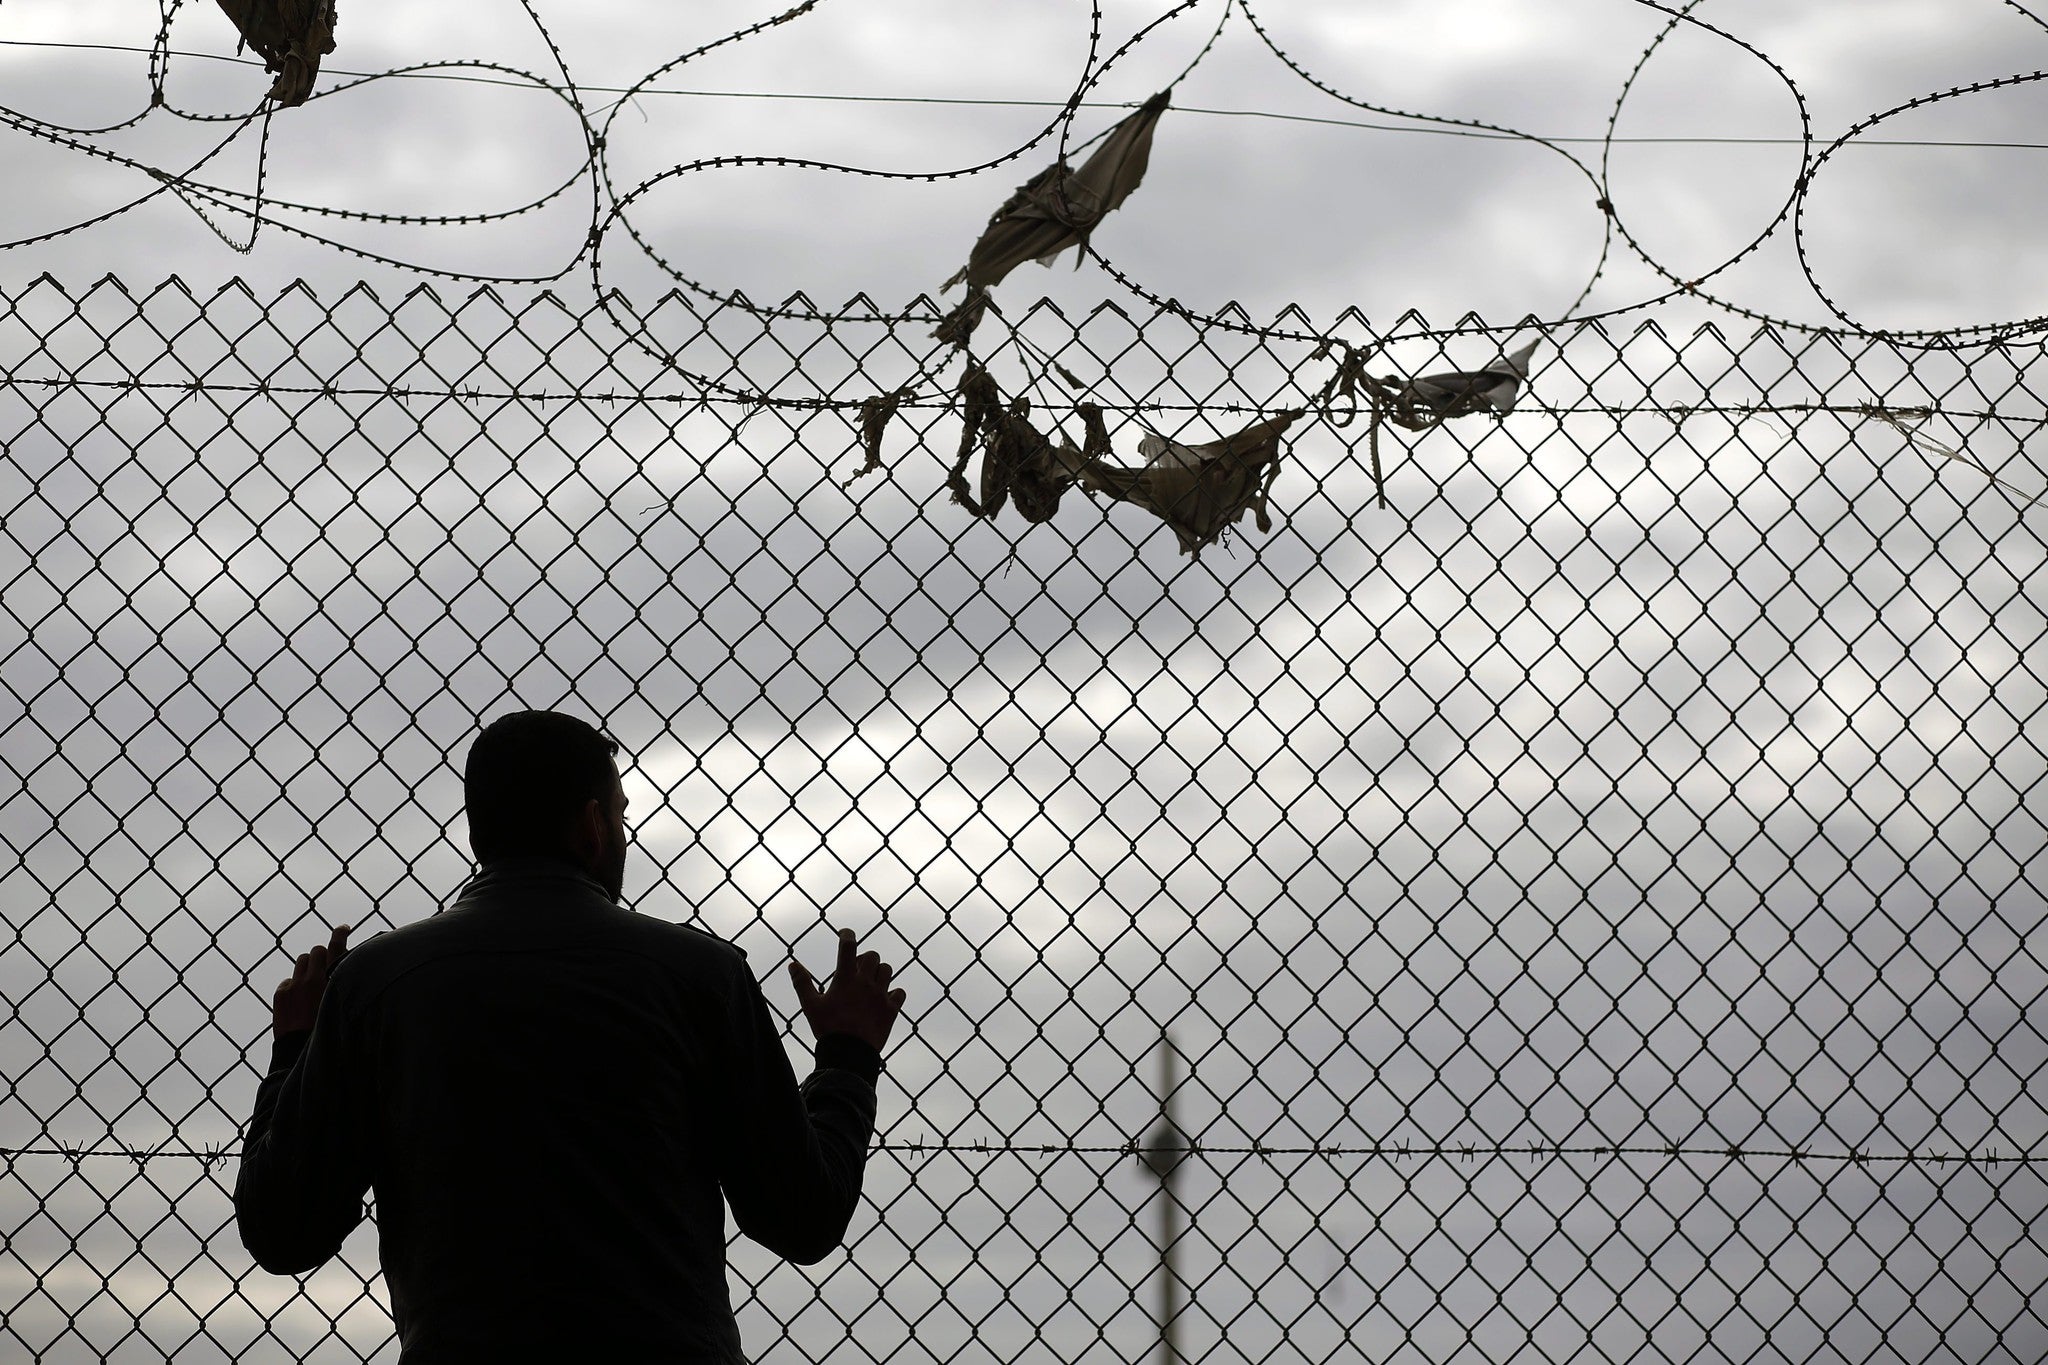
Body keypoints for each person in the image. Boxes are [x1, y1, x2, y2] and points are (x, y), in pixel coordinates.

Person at [234, 709, 906, 1362]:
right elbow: (803, 1217)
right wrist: (847, 1058)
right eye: (619, 815)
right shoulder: (701, 976)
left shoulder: (376, 985)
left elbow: (283, 1230)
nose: (620, 834)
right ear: (591, 826)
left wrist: (296, 1047)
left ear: (479, 830)